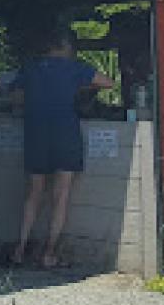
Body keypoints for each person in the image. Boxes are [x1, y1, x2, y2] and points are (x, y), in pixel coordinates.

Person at [8, 26, 114, 268]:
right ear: (65, 46)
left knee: (33, 195)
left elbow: (14, 96)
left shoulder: (31, 68)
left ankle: (19, 250)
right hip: (65, 133)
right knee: (61, 195)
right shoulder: (75, 68)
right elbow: (108, 83)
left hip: (35, 133)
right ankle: (49, 253)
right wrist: (79, 87)